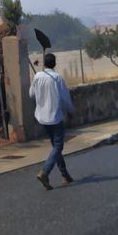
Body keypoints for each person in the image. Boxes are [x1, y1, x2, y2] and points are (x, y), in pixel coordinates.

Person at [29, 52, 75, 190]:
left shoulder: (37, 76)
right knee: (58, 147)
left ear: (44, 63)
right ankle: (45, 171)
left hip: (42, 117)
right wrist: (71, 111)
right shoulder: (57, 78)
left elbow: (31, 94)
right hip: (55, 117)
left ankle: (65, 175)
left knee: (56, 147)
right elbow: (65, 98)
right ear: (54, 64)